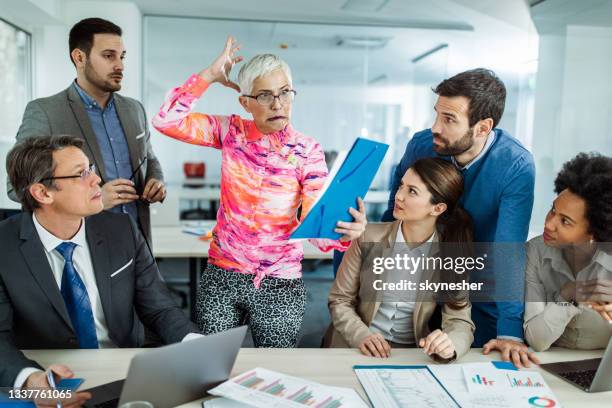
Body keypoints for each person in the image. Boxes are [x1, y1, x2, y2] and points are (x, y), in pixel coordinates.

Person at [152, 37, 367, 348]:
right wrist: (209, 76)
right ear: (246, 102)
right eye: (265, 96)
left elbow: (317, 228)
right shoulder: (230, 132)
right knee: (209, 366)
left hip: (280, 282)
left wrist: (344, 232)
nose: (277, 104)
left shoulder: (307, 150)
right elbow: (166, 120)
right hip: (222, 276)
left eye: (285, 93)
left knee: (276, 372)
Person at [0, 136, 199, 395]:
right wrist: (32, 380)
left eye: (90, 169)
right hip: (50, 376)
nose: (96, 180)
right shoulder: (4, 246)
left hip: (123, 371)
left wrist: (194, 344)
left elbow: (160, 309)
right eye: (80, 174)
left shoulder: (122, 229)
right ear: (42, 193)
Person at [378, 68, 536, 367]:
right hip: (420, 275)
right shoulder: (423, 145)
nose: (435, 127)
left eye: (449, 119)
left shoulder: (516, 166)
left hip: (478, 285)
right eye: (437, 114)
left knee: (476, 364)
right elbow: (393, 213)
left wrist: (510, 332)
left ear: (483, 127)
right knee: (409, 361)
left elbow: (509, 251)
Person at [7, 17, 165, 244]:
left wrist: (155, 180)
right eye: (108, 56)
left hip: (138, 242)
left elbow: (149, 159)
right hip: (80, 248)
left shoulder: (135, 110)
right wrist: (93, 197)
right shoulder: (45, 112)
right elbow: (17, 187)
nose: (119, 65)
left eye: (122, 57)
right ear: (79, 57)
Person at [326, 158, 475, 363]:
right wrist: (362, 336)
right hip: (355, 346)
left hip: (413, 355)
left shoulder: (450, 254)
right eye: (401, 186)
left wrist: (450, 345)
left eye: (412, 191)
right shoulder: (367, 237)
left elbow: (459, 320)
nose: (399, 196)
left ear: (437, 209)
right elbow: (340, 300)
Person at [524, 153, 612, 351]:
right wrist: (568, 294)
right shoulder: (536, 251)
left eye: (565, 221)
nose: (548, 224)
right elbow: (536, 339)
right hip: (554, 363)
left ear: (594, 233)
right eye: (553, 210)